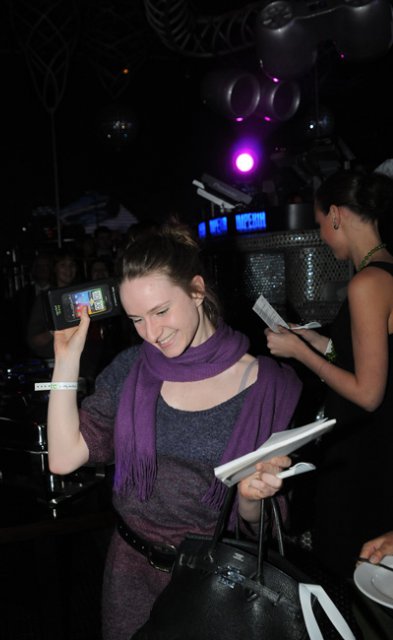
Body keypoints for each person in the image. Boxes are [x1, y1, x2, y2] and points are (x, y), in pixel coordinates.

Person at [46, 221, 303, 640]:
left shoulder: (265, 386)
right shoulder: (129, 369)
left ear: (197, 290)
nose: (151, 333)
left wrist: (250, 498)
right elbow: (63, 458)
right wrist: (66, 361)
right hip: (129, 572)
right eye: (136, 319)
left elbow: (265, 528)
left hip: (211, 584)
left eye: (161, 311)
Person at [264, 170, 393, 578]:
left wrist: (301, 354)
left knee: (345, 568)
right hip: (377, 445)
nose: (321, 236)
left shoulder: (366, 283)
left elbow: (368, 392)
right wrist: (316, 341)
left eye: (320, 224)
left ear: (336, 215)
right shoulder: (384, 271)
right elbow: (366, 360)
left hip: (364, 453)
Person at [27, 248, 80, 360]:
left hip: (80, 358)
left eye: (72, 265)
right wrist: (56, 329)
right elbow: (34, 340)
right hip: (53, 359)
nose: (68, 269)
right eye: (63, 265)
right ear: (55, 269)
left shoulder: (82, 294)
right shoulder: (45, 299)